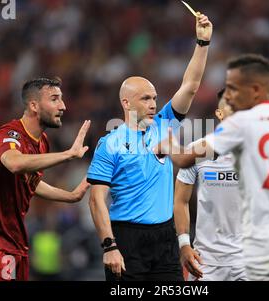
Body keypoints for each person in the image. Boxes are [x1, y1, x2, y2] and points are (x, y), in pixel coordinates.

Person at [156, 54, 269, 281]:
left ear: (254, 90)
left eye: (234, 89)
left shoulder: (244, 125)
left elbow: (184, 158)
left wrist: (170, 144)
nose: (231, 97)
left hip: (256, 253)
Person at [87, 13, 213, 281]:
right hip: (127, 238)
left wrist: (202, 44)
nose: (154, 103)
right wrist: (109, 246)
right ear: (126, 103)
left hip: (165, 237)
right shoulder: (110, 143)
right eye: (145, 98)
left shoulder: (164, 124)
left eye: (155, 98)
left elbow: (189, 87)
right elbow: (96, 199)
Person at [0, 77, 91, 281]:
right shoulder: (8, 135)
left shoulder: (42, 142)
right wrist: (68, 155)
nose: (63, 106)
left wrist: (69, 196)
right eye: (54, 99)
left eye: (61, 99)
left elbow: (30, 182)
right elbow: (14, 163)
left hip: (15, 242)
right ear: (34, 105)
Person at [174, 89, 247, 281]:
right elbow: (180, 200)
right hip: (206, 261)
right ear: (220, 113)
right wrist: (184, 244)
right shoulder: (197, 150)